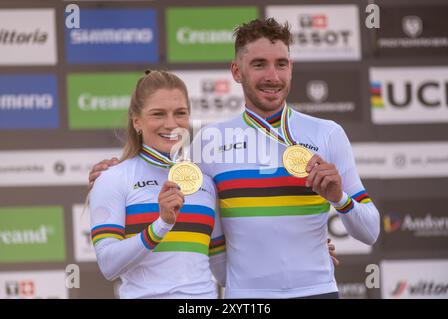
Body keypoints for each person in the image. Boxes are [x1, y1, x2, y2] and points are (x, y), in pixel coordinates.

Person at [90, 18, 372, 299]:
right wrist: (114, 173)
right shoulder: (211, 141)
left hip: (317, 292)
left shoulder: (328, 134)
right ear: (237, 71)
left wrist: (341, 200)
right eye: (259, 64)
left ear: (291, 67)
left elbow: (369, 231)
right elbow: (164, 177)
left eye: (281, 64)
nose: (273, 76)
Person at [89, 70, 226, 298]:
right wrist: (161, 224)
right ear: (137, 121)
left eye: (180, 113)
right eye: (158, 114)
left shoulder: (205, 180)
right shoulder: (112, 178)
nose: (171, 124)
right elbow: (108, 265)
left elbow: (222, 269)